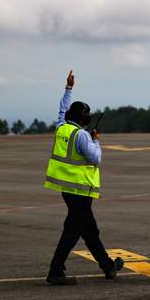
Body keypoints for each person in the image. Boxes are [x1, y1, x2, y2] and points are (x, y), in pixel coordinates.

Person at [44, 70, 123, 285]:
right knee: (72, 231)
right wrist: (95, 140)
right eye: (87, 114)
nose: (89, 117)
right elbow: (96, 159)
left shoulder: (62, 127)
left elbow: (62, 109)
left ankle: (107, 266)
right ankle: (56, 271)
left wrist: (69, 88)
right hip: (80, 189)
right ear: (81, 117)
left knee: (89, 230)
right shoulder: (81, 135)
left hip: (67, 189)